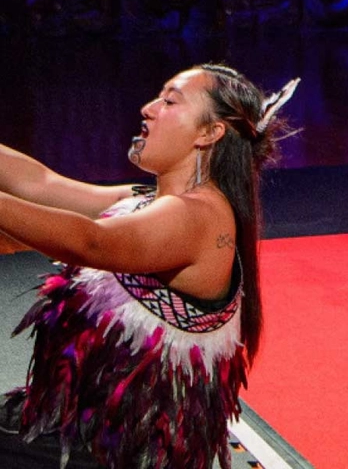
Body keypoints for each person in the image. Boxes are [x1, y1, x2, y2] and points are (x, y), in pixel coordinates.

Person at [0, 64, 294, 469]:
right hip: (73, 425)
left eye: (170, 100)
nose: (148, 108)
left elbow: (90, 241)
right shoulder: (145, 201)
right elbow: (41, 185)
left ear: (210, 133)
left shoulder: (200, 217)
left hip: (118, 452)